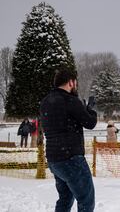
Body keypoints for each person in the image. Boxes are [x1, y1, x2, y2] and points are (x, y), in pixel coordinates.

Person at [40, 69, 97, 212]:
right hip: (71, 159)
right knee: (86, 201)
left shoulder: (46, 101)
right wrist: (90, 109)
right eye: (75, 82)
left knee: (65, 199)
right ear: (71, 82)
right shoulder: (70, 100)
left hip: (54, 159)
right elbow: (90, 123)